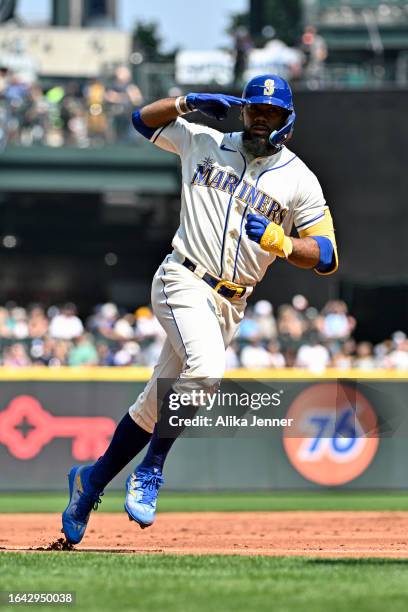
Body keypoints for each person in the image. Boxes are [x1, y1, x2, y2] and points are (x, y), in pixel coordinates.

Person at [62, 74, 338, 544]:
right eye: (254, 111)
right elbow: (139, 120)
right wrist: (186, 102)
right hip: (183, 277)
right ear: (243, 111)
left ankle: (90, 483)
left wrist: (283, 242)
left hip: (231, 303)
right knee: (207, 370)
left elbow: (328, 255)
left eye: (270, 113)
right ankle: (151, 470)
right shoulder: (204, 139)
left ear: (286, 121)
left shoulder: (299, 179)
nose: (259, 120)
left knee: (154, 406)